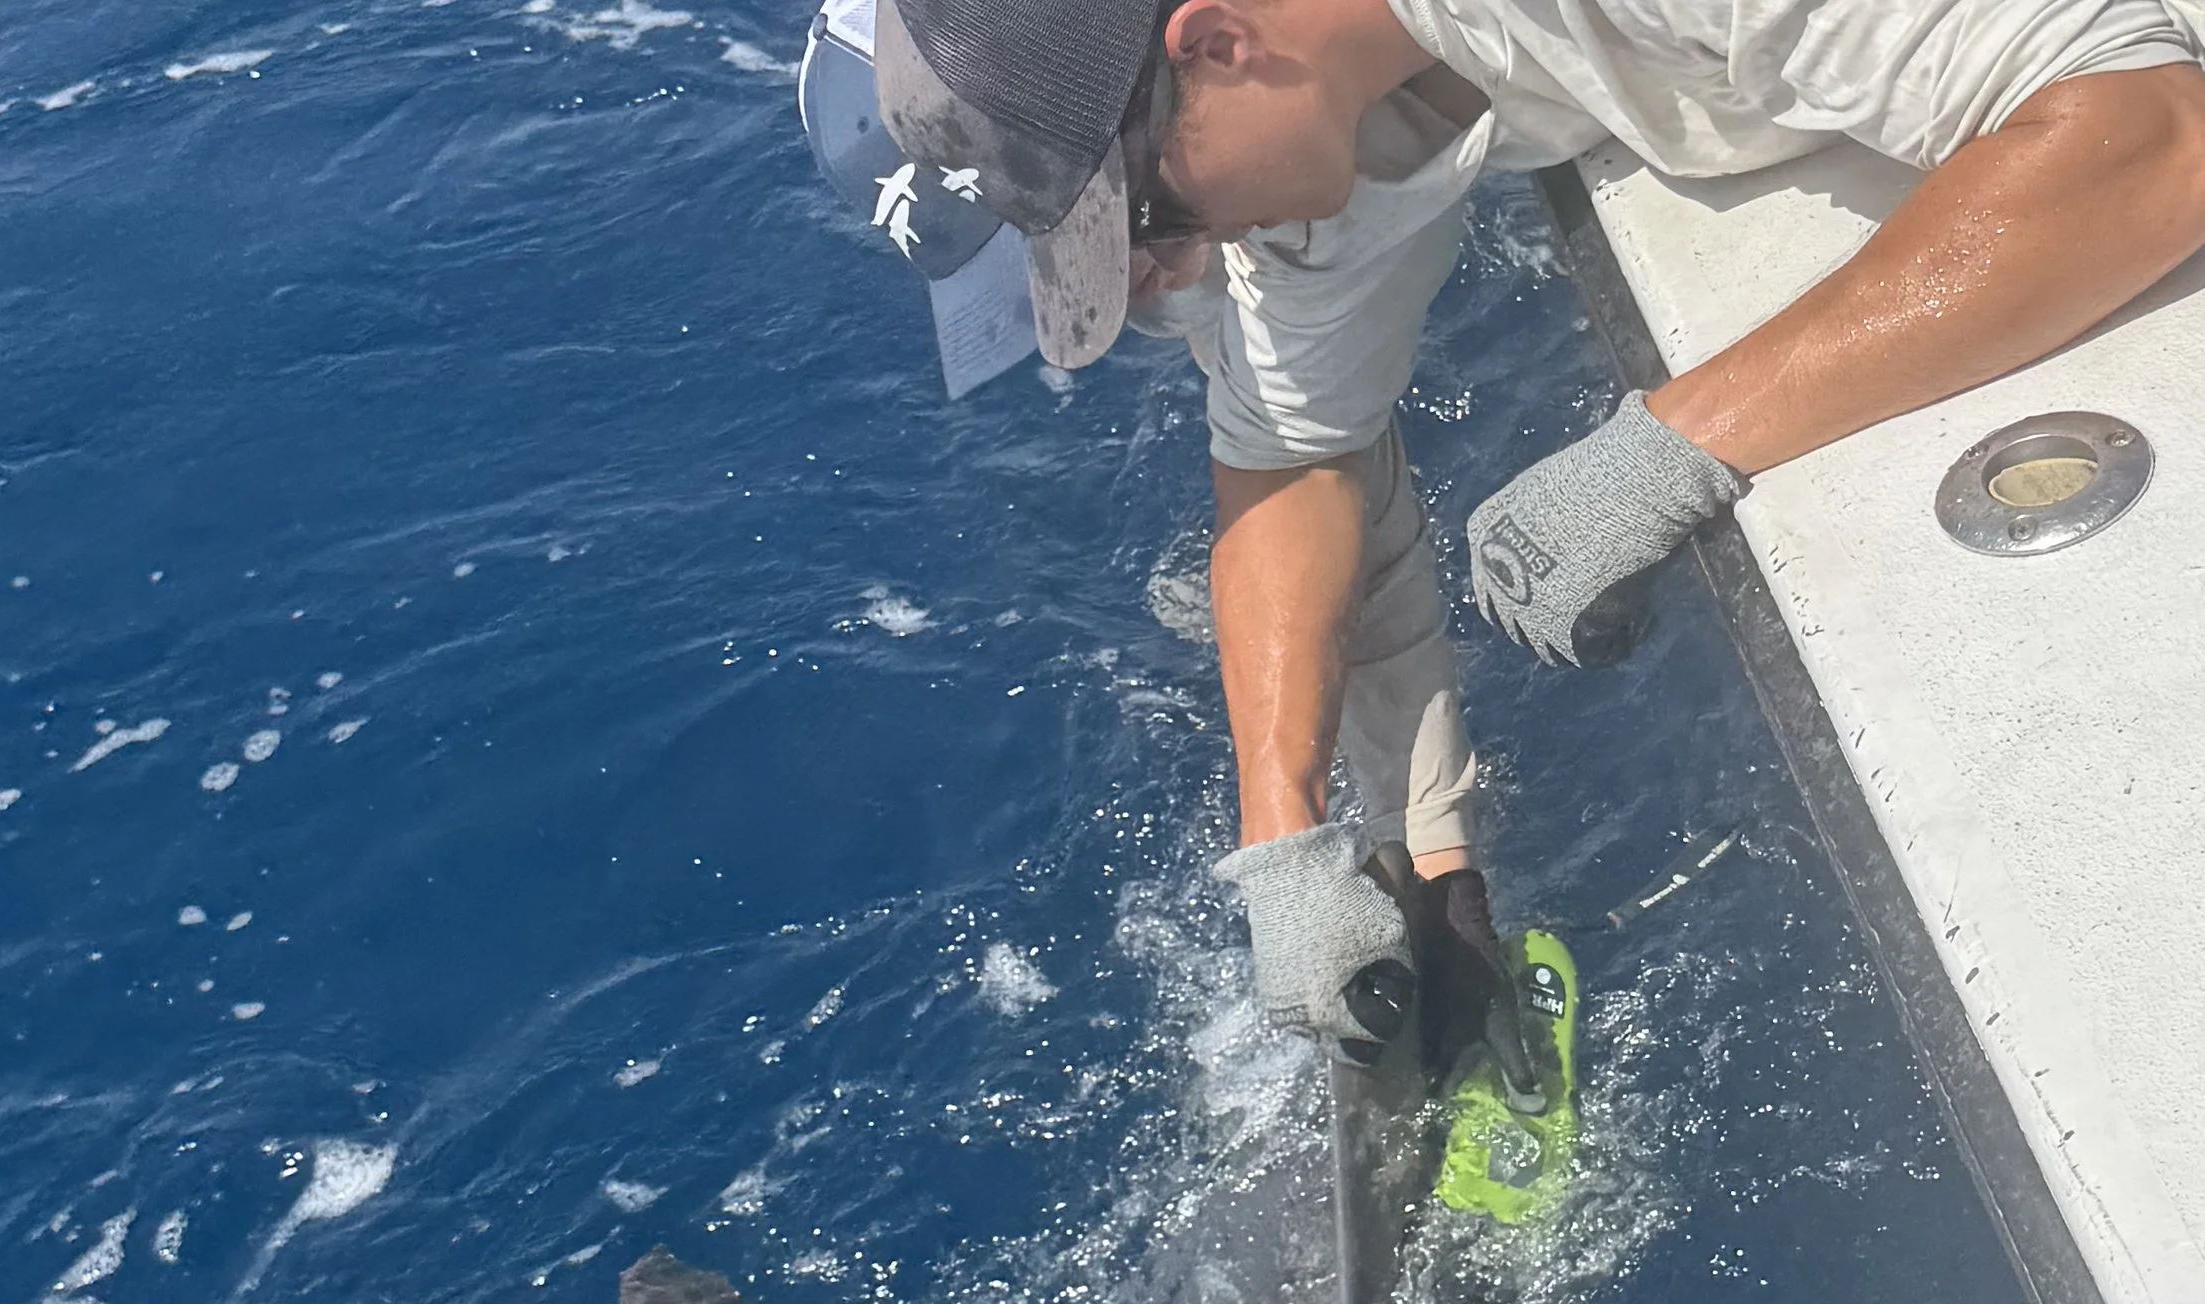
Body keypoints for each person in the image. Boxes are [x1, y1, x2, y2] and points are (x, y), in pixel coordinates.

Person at [852, 0, 2205, 1052]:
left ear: (1215, 39)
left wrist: (1674, 443)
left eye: (1150, 212)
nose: (1169, 267)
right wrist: (1320, 846)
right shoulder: (1325, 108)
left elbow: (2145, 137)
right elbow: (1291, 460)